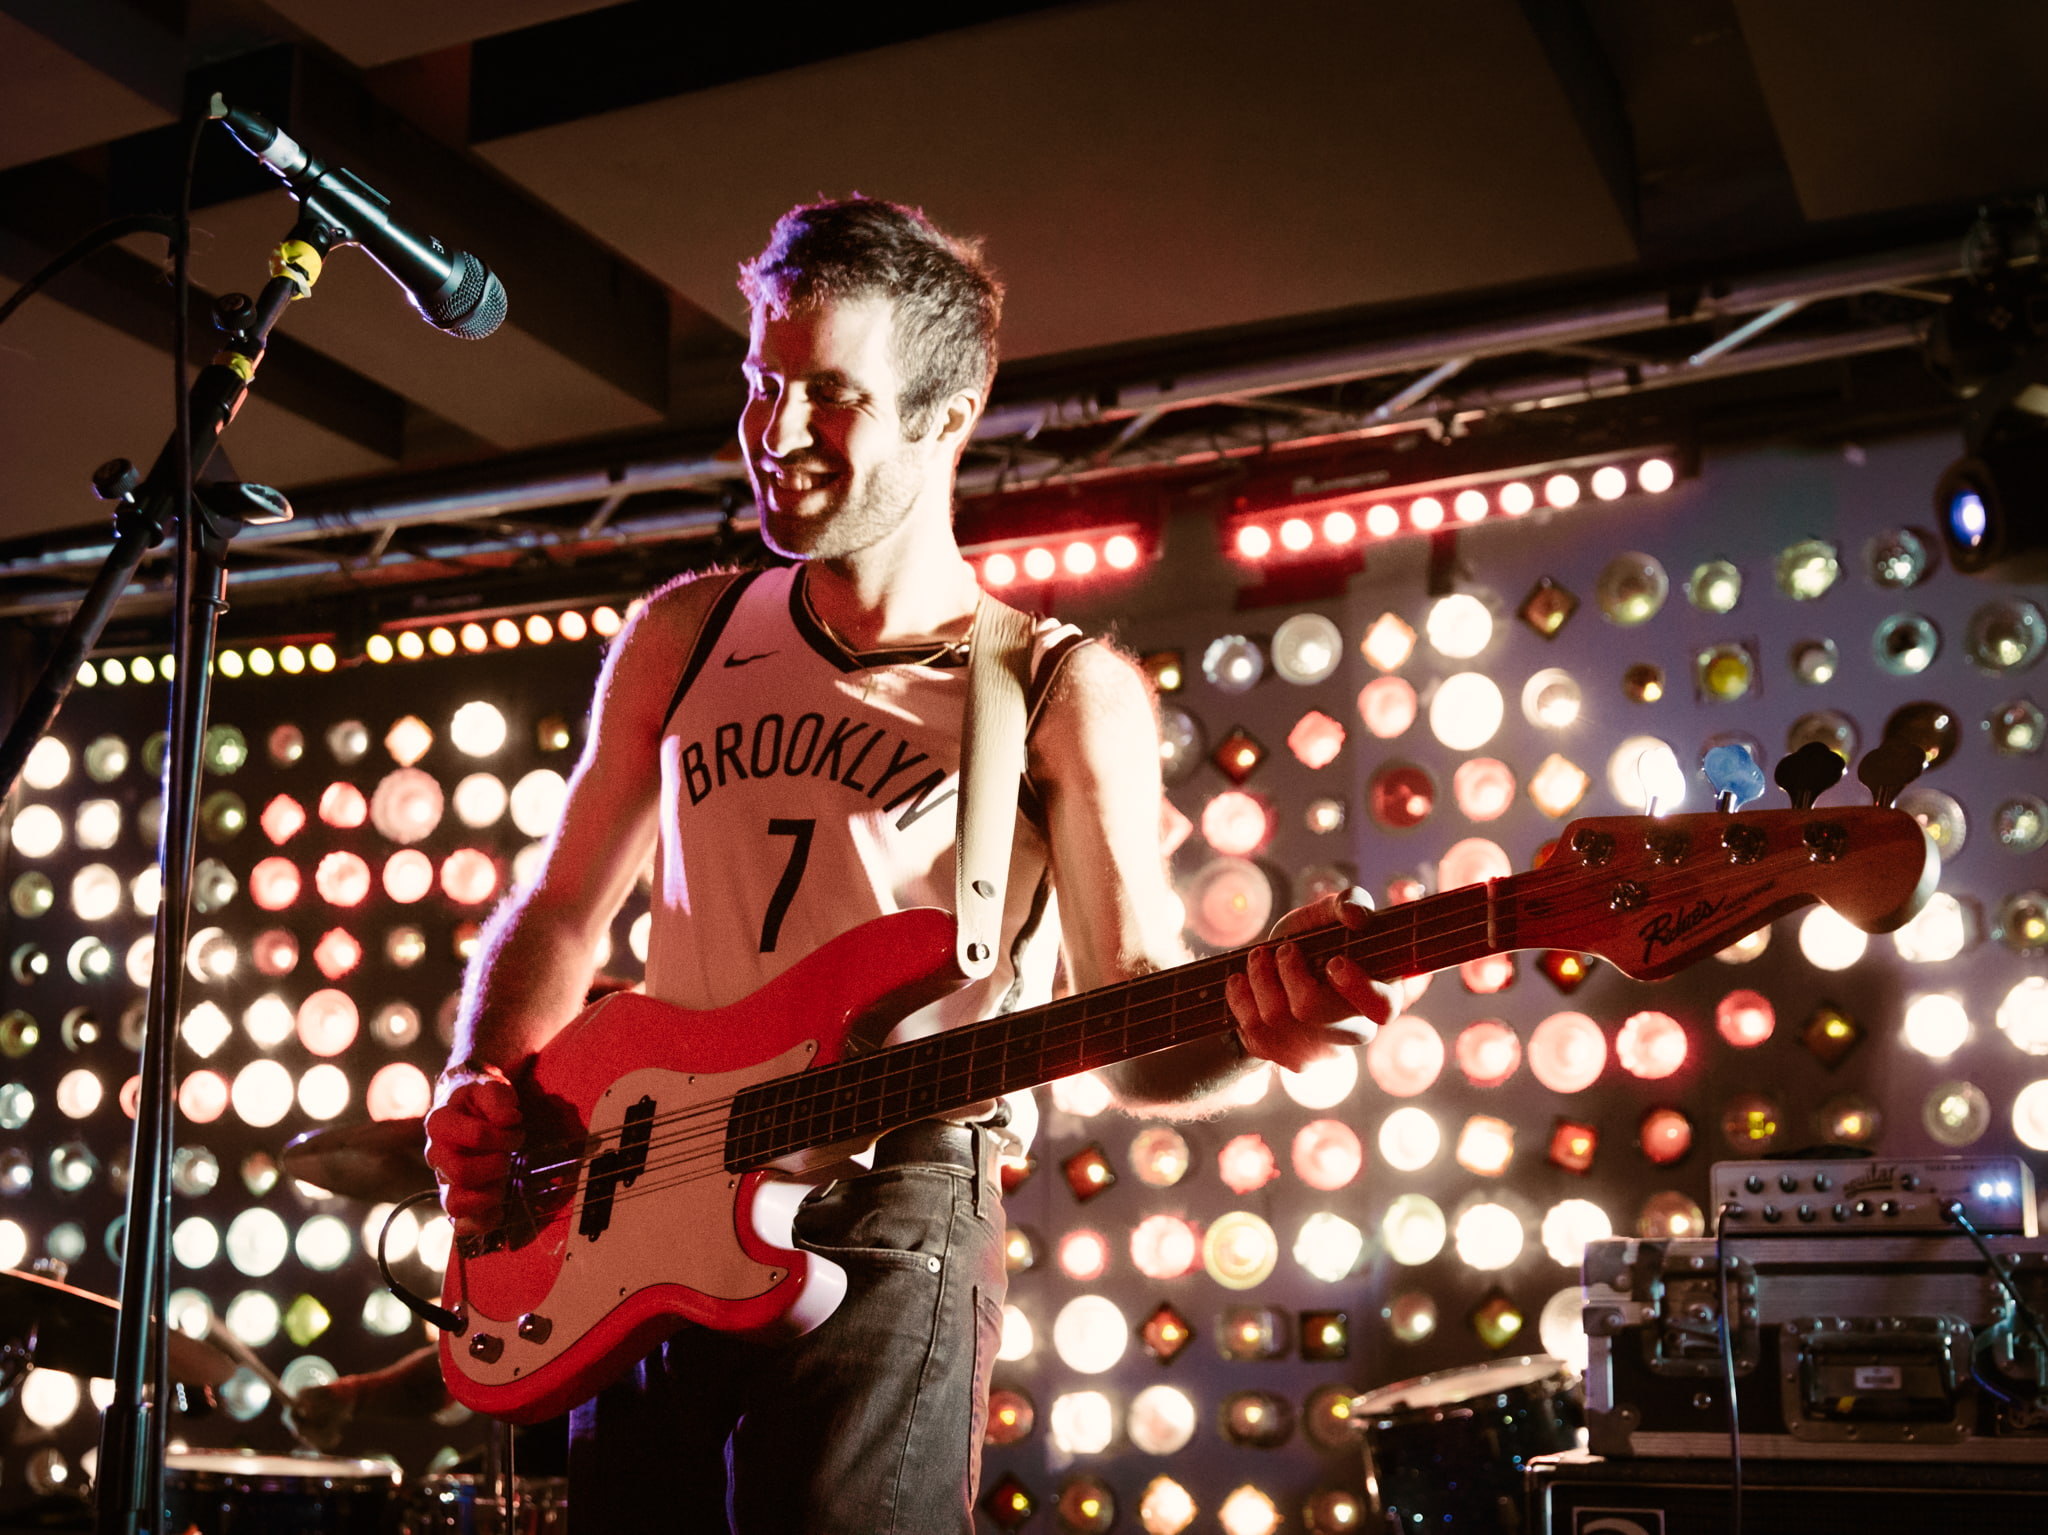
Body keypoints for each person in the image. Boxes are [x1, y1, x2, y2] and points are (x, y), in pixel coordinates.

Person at [423, 197, 1399, 1534]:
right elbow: (561, 907)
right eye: (764, 384)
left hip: (889, 1203)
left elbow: (1139, 1026)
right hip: (643, 1192)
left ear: (950, 414)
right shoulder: (682, 633)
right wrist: (490, 1087)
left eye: (828, 396)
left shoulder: (1055, 689)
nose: (771, 434)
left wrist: (1260, 1025)